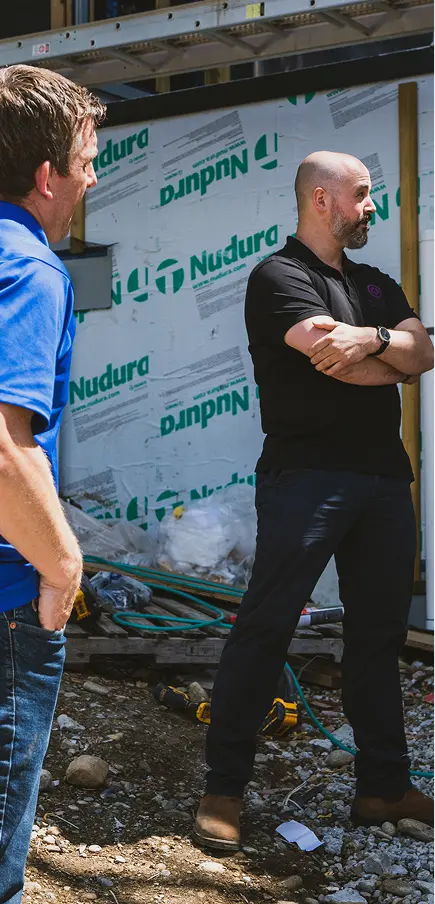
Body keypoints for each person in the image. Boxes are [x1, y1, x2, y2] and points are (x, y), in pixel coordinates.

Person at [194, 150, 435, 852]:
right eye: (361, 195)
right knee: (266, 626)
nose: (370, 207)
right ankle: (223, 789)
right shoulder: (278, 277)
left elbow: (421, 352)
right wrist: (381, 357)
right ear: (322, 199)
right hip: (307, 479)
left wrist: (379, 338)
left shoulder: (372, 284)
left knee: (377, 637)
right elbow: (330, 358)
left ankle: (382, 787)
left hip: (385, 483)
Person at [0, 65, 105, 903]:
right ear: (47, 175)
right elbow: (2, 448)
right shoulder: (29, 270)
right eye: (87, 158)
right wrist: (63, 567)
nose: (93, 176)